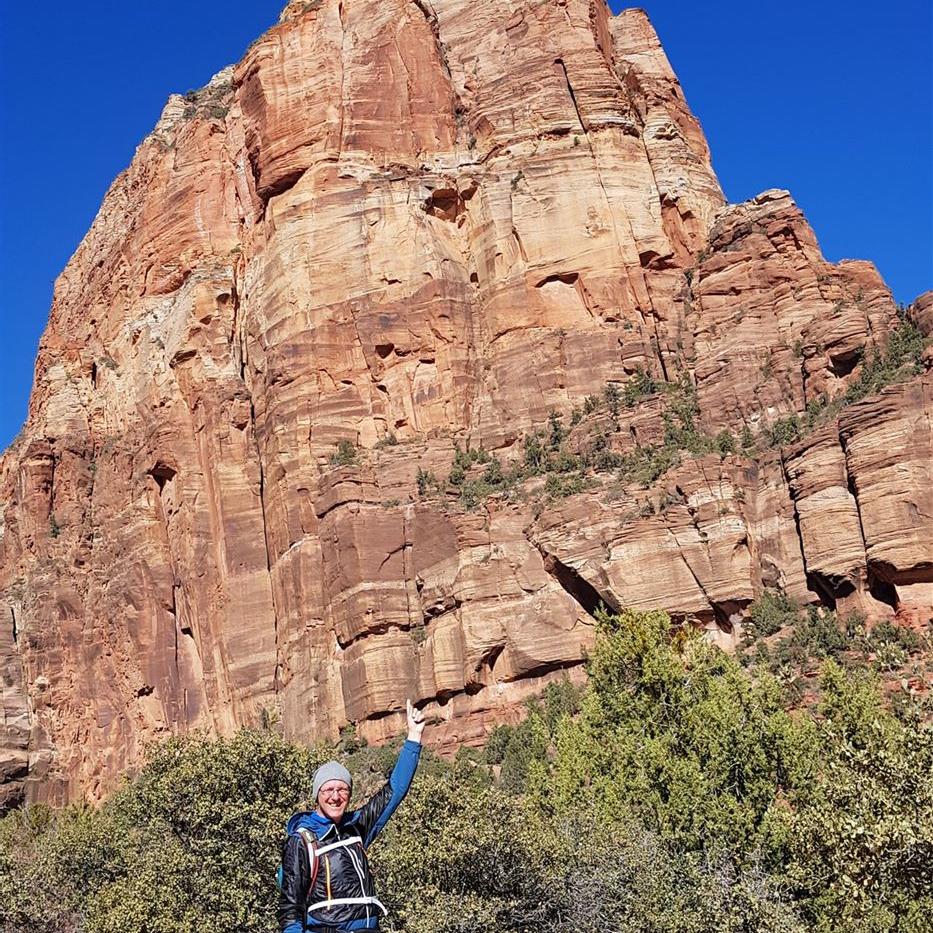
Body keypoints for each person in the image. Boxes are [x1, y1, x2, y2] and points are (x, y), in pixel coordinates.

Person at [278, 699, 426, 933]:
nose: (335, 797)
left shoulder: (357, 826)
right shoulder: (302, 841)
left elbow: (394, 791)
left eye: (342, 789)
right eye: (328, 790)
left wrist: (414, 738)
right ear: (317, 795)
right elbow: (291, 908)